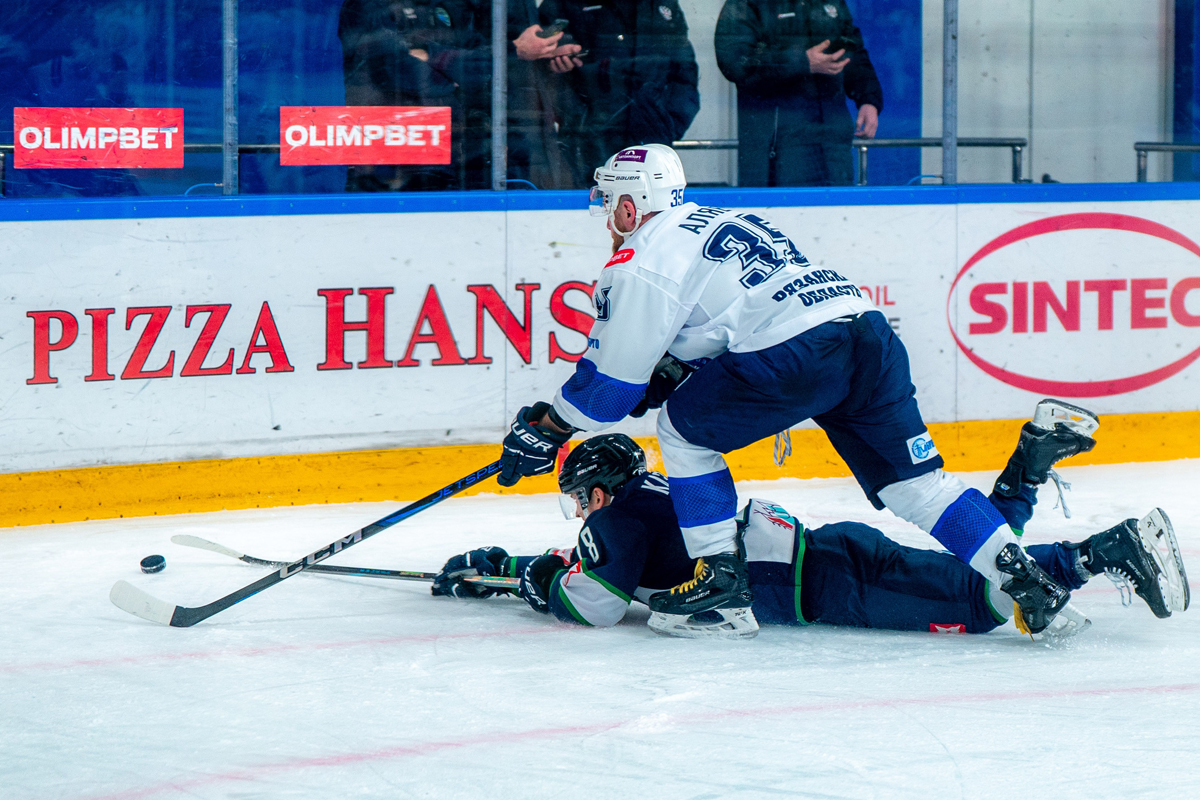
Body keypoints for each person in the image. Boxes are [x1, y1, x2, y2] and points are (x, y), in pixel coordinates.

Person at [492, 144, 1097, 639]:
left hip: (797, 353)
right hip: (864, 331)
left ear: (630, 205)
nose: (607, 217)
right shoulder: (721, 220)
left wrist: (545, 429)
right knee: (916, 487)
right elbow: (712, 330)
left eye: (609, 203)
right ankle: (1023, 578)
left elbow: (605, 393)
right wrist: (666, 373)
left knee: (682, 431)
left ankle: (721, 588)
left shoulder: (639, 260)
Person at [433, 434, 1190, 638]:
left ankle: (1105, 548)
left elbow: (597, 602)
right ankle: (1026, 472)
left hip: (817, 583)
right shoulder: (650, 497)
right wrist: (510, 567)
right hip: (817, 554)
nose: (580, 510)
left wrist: (532, 583)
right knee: (974, 570)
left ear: (598, 490)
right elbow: (605, 569)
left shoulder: (614, 518)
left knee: (983, 601)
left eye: (579, 497)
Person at [714, 0, 883, 187]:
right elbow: (734, 62)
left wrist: (869, 100)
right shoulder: (747, 3)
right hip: (777, 151)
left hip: (832, 147)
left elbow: (851, 50)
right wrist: (801, 61)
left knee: (835, 204)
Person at [536, 0, 700, 188]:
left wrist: (668, 123)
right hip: (587, 141)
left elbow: (684, 71)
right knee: (593, 203)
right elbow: (536, 61)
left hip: (651, 138)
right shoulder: (564, 4)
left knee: (650, 202)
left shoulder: (662, 4)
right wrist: (574, 116)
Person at [338, 0, 490, 191]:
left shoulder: (452, 6)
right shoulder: (368, 7)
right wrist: (447, 73)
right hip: (392, 129)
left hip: (442, 145)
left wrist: (432, 56)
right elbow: (389, 64)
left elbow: (482, 65)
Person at [506, 4, 581, 189]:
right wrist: (515, 50)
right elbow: (458, 58)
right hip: (500, 119)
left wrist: (550, 53)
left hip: (538, 119)